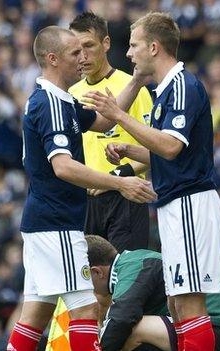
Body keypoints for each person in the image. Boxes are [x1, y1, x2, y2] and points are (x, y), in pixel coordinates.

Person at [5, 26, 156, 351]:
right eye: (75, 53)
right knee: (87, 309)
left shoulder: (57, 99)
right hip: (57, 224)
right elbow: (63, 166)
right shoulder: (51, 104)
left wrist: (137, 80)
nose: (83, 58)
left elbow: (104, 122)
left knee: (34, 315)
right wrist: (121, 182)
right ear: (53, 58)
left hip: (43, 223)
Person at [84, 12, 220, 351]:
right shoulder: (164, 91)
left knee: (189, 305)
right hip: (175, 203)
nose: (128, 53)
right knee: (176, 305)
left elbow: (171, 147)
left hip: (191, 202)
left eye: (133, 46)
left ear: (155, 47)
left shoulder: (183, 86)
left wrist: (119, 116)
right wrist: (132, 149)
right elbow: (170, 154)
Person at [69, 12, 153, 252]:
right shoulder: (71, 94)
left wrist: (119, 175)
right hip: (85, 201)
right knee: (92, 283)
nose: (83, 56)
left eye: (89, 46)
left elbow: (155, 150)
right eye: (76, 49)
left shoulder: (132, 88)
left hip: (125, 196)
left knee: (124, 278)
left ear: (106, 43)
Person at [86, 235, 220, 351]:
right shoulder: (130, 263)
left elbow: (122, 318)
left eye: (83, 277)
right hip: (212, 327)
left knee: (129, 331)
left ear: (96, 272)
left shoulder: (133, 264)